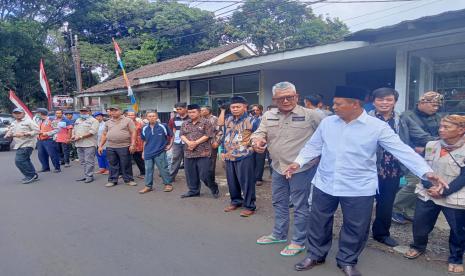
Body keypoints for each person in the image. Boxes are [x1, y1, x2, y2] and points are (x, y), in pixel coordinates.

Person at [284, 86, 444, 276]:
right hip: (325, 182)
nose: (333, 107)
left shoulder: (377, 127)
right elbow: (313, 146)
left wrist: (426, 172)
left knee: (355, 226)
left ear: (355, 104)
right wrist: (298, 162)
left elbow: (402, 150)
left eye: (338, 104)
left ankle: (347, 260)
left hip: (358, 186)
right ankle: (316, 254)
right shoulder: (328, 123)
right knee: (319, 222)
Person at [252, 81, 321, 257]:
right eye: (280, 98)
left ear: (297, 97)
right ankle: (279, 234)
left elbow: (327, 136)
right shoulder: (268, 115)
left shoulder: (311, 115)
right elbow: (260, 132)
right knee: (279, 201)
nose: (285, 101)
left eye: (289, 97)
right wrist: (257, 141)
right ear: (274, 99)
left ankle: (298, 240)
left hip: (301, 169)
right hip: (278, 167)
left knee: (300, 205)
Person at [404, 115, 465, 275]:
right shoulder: (431, 144)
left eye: (446, 127)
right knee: (420, 223)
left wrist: (444, 191)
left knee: (458, 229)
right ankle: (418, 246)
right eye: (441, 126)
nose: (441, 130)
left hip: (455, 193)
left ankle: (456, 258)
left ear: (461, 130)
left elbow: (464, 176)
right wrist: (430, 186)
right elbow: (423, 167)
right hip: (429, 191)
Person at [392, 91, 443, 224]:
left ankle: (409, 211)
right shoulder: (406, 116)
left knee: (425, 184)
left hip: (430, 154)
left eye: (438, 106)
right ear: (422, 102)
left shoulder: (437, 117)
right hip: (411, 155)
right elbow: (401, 138)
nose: (436, 108)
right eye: (433, 105)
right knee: (414, 183)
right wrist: (415, 148)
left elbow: (442, 135)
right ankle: (394, 209)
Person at [221, 96, 256, 217]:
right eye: (232, 107)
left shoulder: (252, 121)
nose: (235, 109)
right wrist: (222, 150)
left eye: (238, 107)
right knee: (232, 181)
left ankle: (249, 205)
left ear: (245, 107)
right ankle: (236, 201)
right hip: (229, 155)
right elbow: (224, 135)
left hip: (244, 155)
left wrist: (252, 149)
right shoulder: (228, 119)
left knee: (246, 182)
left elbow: (258, 137)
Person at [179, 104, 219, 199]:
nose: (191, 114)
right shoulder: (185, 123)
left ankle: (213, 187)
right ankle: (194, 191)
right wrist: (189, 143)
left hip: (203, 153)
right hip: (189, 153)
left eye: (193, 112)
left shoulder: (206, 122)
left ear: (199, 112)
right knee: (190, 174)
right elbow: (182, 135)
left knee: (205, 174)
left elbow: (208, 135)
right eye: (189, 112)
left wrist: (195, 143)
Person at [98, 106, 137, 187]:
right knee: (112, 164)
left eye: (115, 110)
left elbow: (133, 132)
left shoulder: (128, 120)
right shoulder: (108, 122)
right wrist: (100, 146)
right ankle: (112, 180)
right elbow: (104, 134)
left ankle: (128, 180)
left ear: (120, 111)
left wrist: (133, 144)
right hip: (110, 146)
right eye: (111, 111)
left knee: (126, 164)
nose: (113, 112)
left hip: (124, 146)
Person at [138, 111, 174, 194]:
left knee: (163, 169)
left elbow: (171, 136)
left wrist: (170, 145)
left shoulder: (163, 126)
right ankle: (148, 186)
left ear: (157, 117)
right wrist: (143, 152)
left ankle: (168, 184)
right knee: (148, 170)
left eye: (153, 116)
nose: (151, 118)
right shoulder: (144, 128)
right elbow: (145, 141)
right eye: (149, 116)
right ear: (147, 118)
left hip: (160, 151)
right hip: (148, 152)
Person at [5, 108, 40, 184]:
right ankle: (33, 174)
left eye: (19, 113)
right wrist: (8, 134)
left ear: (23, 113)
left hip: (27, 144)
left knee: (19, 161)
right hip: (19, 144)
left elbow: (37, 130)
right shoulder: (14, 123)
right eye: (15, 113)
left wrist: (25, 133)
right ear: (13, 114)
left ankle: (30, 176)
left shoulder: (29, 121)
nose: (17, 114)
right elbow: (10, 130)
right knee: (25, 160)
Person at [72, 107, 99, 183]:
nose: (83, 113)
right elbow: (74, 129)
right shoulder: (78, 120)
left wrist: (80, 137)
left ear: (90, 112)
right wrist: (73, 135)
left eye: (85, 111)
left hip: (89, 144)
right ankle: (86, 175)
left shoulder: (94, 121)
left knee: (89, 161)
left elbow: (92, 132)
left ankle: (89, 176)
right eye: (82, 111)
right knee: (82, 161)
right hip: (79, 144)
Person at [35, 108, 61, 173]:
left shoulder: (52, 120)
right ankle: (45, 167)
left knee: (53, 154)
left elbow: (57, 129)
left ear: (41, 113)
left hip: (49, 140)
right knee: (41, 154)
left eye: (38, 113)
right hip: (40, 140)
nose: (36, 114)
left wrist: (47, 133)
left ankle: (57, 168)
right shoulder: (39, 120)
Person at [168, 102, 189, 181]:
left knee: (188, 160)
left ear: (185, 108)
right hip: (177, 142)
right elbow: (172, 131)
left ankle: (190, 177)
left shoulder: (191, 118)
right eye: (177, 109)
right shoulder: (173, 119)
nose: (179, 111)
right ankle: (171, 177)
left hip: (188, 142)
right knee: (175, 159)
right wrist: (171, 143)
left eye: (180, 109)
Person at [201, 106, 220, 185]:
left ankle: (211, 181)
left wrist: (217, 142)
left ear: (208, 111)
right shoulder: (200, 119)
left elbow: (219, 131)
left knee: (211, 163)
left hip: (211, 143)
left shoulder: (214, 119)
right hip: (201, 143)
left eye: (203, 110)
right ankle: (205, 178)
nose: (201, 111)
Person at [250, 104, 266, 186]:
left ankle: (258, 178)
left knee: (260, 160)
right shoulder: (251, 119)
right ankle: (253, 177)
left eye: (257, 110)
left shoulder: (264, 119)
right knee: (252, 160)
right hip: (251, 142)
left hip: (261, 142)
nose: (255, 112)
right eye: (253, 110)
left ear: (261, 110)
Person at [127, 111, 145, 179]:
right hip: (126, 143)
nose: (130, 116)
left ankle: (143, 173)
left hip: (138, 144)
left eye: (132, 115)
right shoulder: (125, 123)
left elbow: (143, 134)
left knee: (139, 159)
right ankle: (125, 174)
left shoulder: (139, 124)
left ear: (135, 116)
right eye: (129, 115)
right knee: (126, 160)